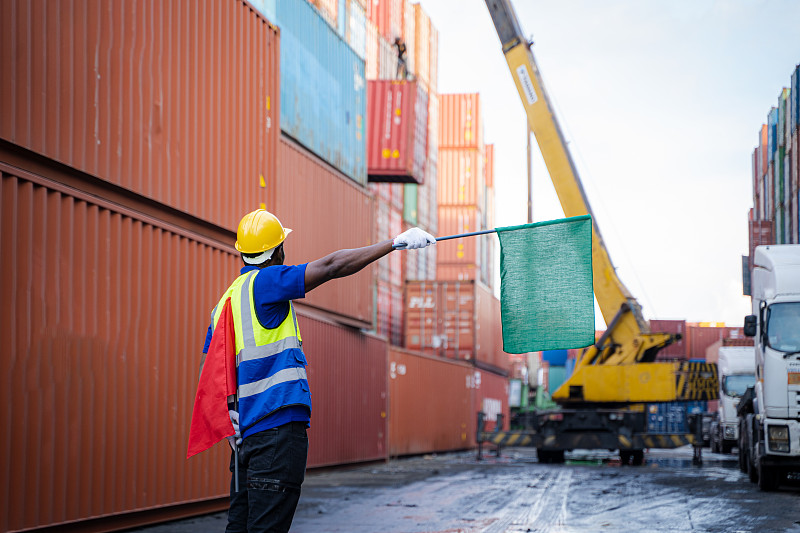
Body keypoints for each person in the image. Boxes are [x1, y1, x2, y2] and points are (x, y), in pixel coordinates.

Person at [202, 208, 435, 533]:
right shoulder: (267, 282)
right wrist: (395, 243)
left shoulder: (223, 304)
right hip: (276, 435)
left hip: (246, 444)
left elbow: (212, 375)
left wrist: (230, 419)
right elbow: (331, 266)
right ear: (277, 252)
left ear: (242, 251)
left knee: (238, 528)